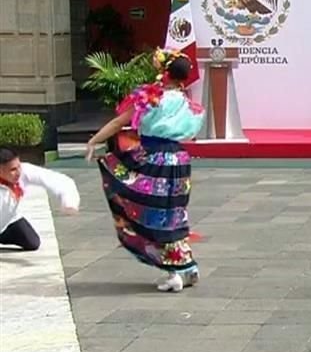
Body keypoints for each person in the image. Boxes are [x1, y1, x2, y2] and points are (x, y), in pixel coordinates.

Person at [85, 49, 205, 293]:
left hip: (155, 159)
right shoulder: (186, 103)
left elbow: (120, 122)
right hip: (179, 161)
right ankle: (187, 267)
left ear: (164, 71)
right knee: (175, 212)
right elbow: (190, 133)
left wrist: (94, 140)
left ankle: (174, 273)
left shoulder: (150, 97)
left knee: (154, 213)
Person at [0, 147, 79, 251]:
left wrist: (69, 202)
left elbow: (60, 180)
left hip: (10, 219)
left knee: (32, 242)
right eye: (13, 170)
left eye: (19, 166)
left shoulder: (23, 171)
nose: (18, 172)